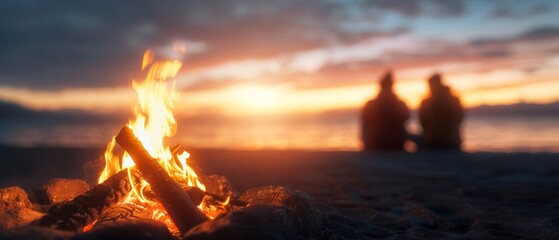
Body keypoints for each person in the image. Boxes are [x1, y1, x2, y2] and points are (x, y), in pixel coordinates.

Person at [361, 71, 410, 151]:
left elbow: (364, 125)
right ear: (392, 86)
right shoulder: (399, 104)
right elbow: (407, 118)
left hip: (375, 144)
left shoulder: (370, 104)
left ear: (380, 86)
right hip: (396, 144)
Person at [419, 73, 464, 150]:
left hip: (434, 141)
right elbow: (460, 117)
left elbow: (423, 122)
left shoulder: (427, 103)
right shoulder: (453, 100)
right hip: (452, 140)